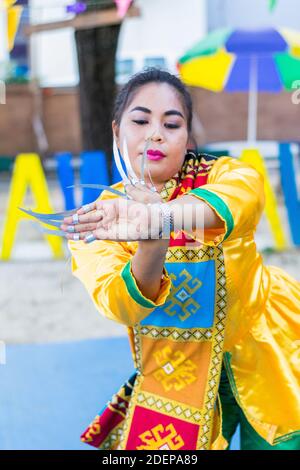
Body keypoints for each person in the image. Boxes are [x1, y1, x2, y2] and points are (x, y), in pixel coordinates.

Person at [62, 68, 300, 450]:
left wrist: (159, 217)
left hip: (271, 350)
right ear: (116, 131)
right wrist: (152, 244)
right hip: (176, 372)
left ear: (187, 137)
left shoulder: (223, 174)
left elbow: (244, 198)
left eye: (171, 124)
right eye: (140, 120)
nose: (155, 133)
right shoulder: (102, 217)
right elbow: (119, 304)